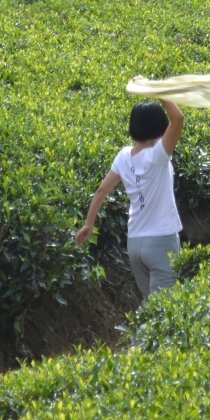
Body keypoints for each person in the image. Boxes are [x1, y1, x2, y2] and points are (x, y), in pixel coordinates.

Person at [75, 97, 184, 300]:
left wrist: (89, 223)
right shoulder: (159, 155)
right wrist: (161, 91)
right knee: (164, 309)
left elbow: (101, 191)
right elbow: (177, 119)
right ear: (159, 125)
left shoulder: (124, 156)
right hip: (161, 240)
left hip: (135, 243)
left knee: (148, 305)